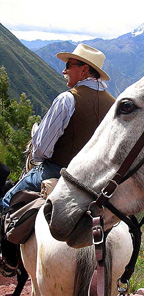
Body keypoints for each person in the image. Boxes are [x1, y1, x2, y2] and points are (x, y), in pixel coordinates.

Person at [0, 43, 115, 275]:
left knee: (5, 201)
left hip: (58, 171)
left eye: (68, 66)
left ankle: (10, 261)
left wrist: (39, 156)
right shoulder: (115, 105)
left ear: (84, 70)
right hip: (98, 180)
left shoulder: (67, 99)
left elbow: (41, 149)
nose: (64, 71)